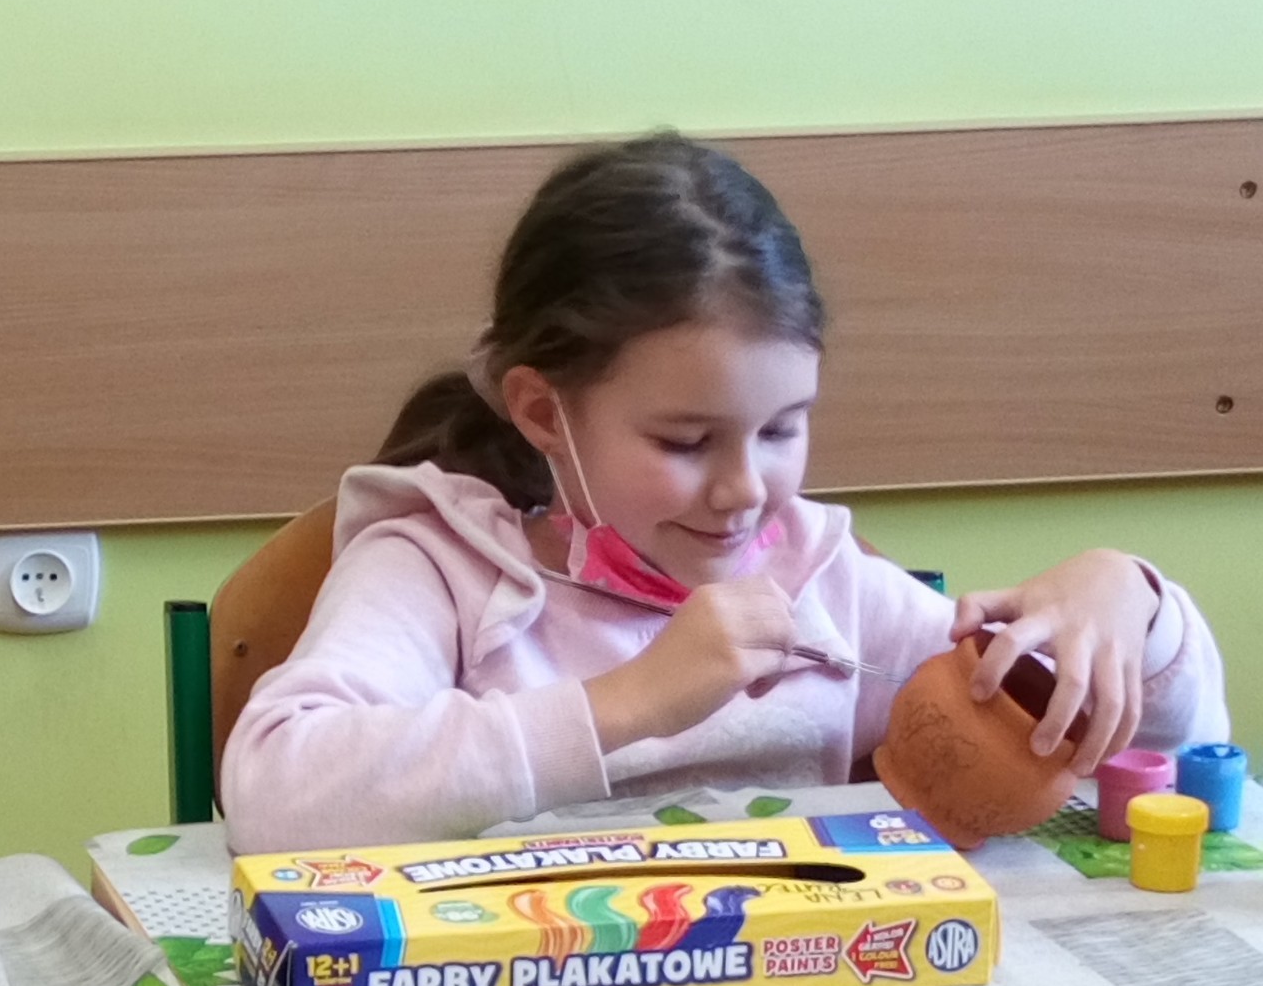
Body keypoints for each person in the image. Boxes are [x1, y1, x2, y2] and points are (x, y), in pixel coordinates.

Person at [221, 132, 1228, 853]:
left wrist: (1127, 607)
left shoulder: (823, 584)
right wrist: (627, 703)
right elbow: (272, 794)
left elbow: (1149, 761)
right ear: (541, 411)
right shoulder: (440, 571)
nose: (746, 490)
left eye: (783, 429)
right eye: (686, 440)